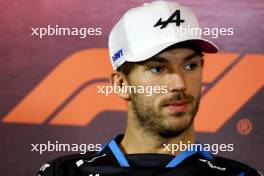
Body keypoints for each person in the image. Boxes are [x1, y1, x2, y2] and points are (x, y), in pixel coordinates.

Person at [37, 1, 261, 175]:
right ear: (121, 84)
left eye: (190, 65)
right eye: (157, 69)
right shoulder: (64, 173)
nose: (180, 84)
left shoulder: (241, 175)